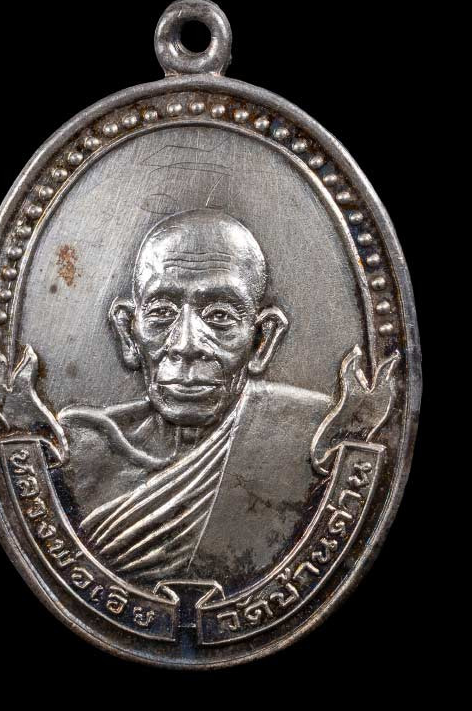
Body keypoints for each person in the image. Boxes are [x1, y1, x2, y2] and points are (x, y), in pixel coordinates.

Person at [59, 209, 331, 593]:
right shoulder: (80, 450)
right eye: (162, 313)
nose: (186, 344)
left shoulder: (312, 438)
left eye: (219, 316)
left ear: (261, 340)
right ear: (129, 332)